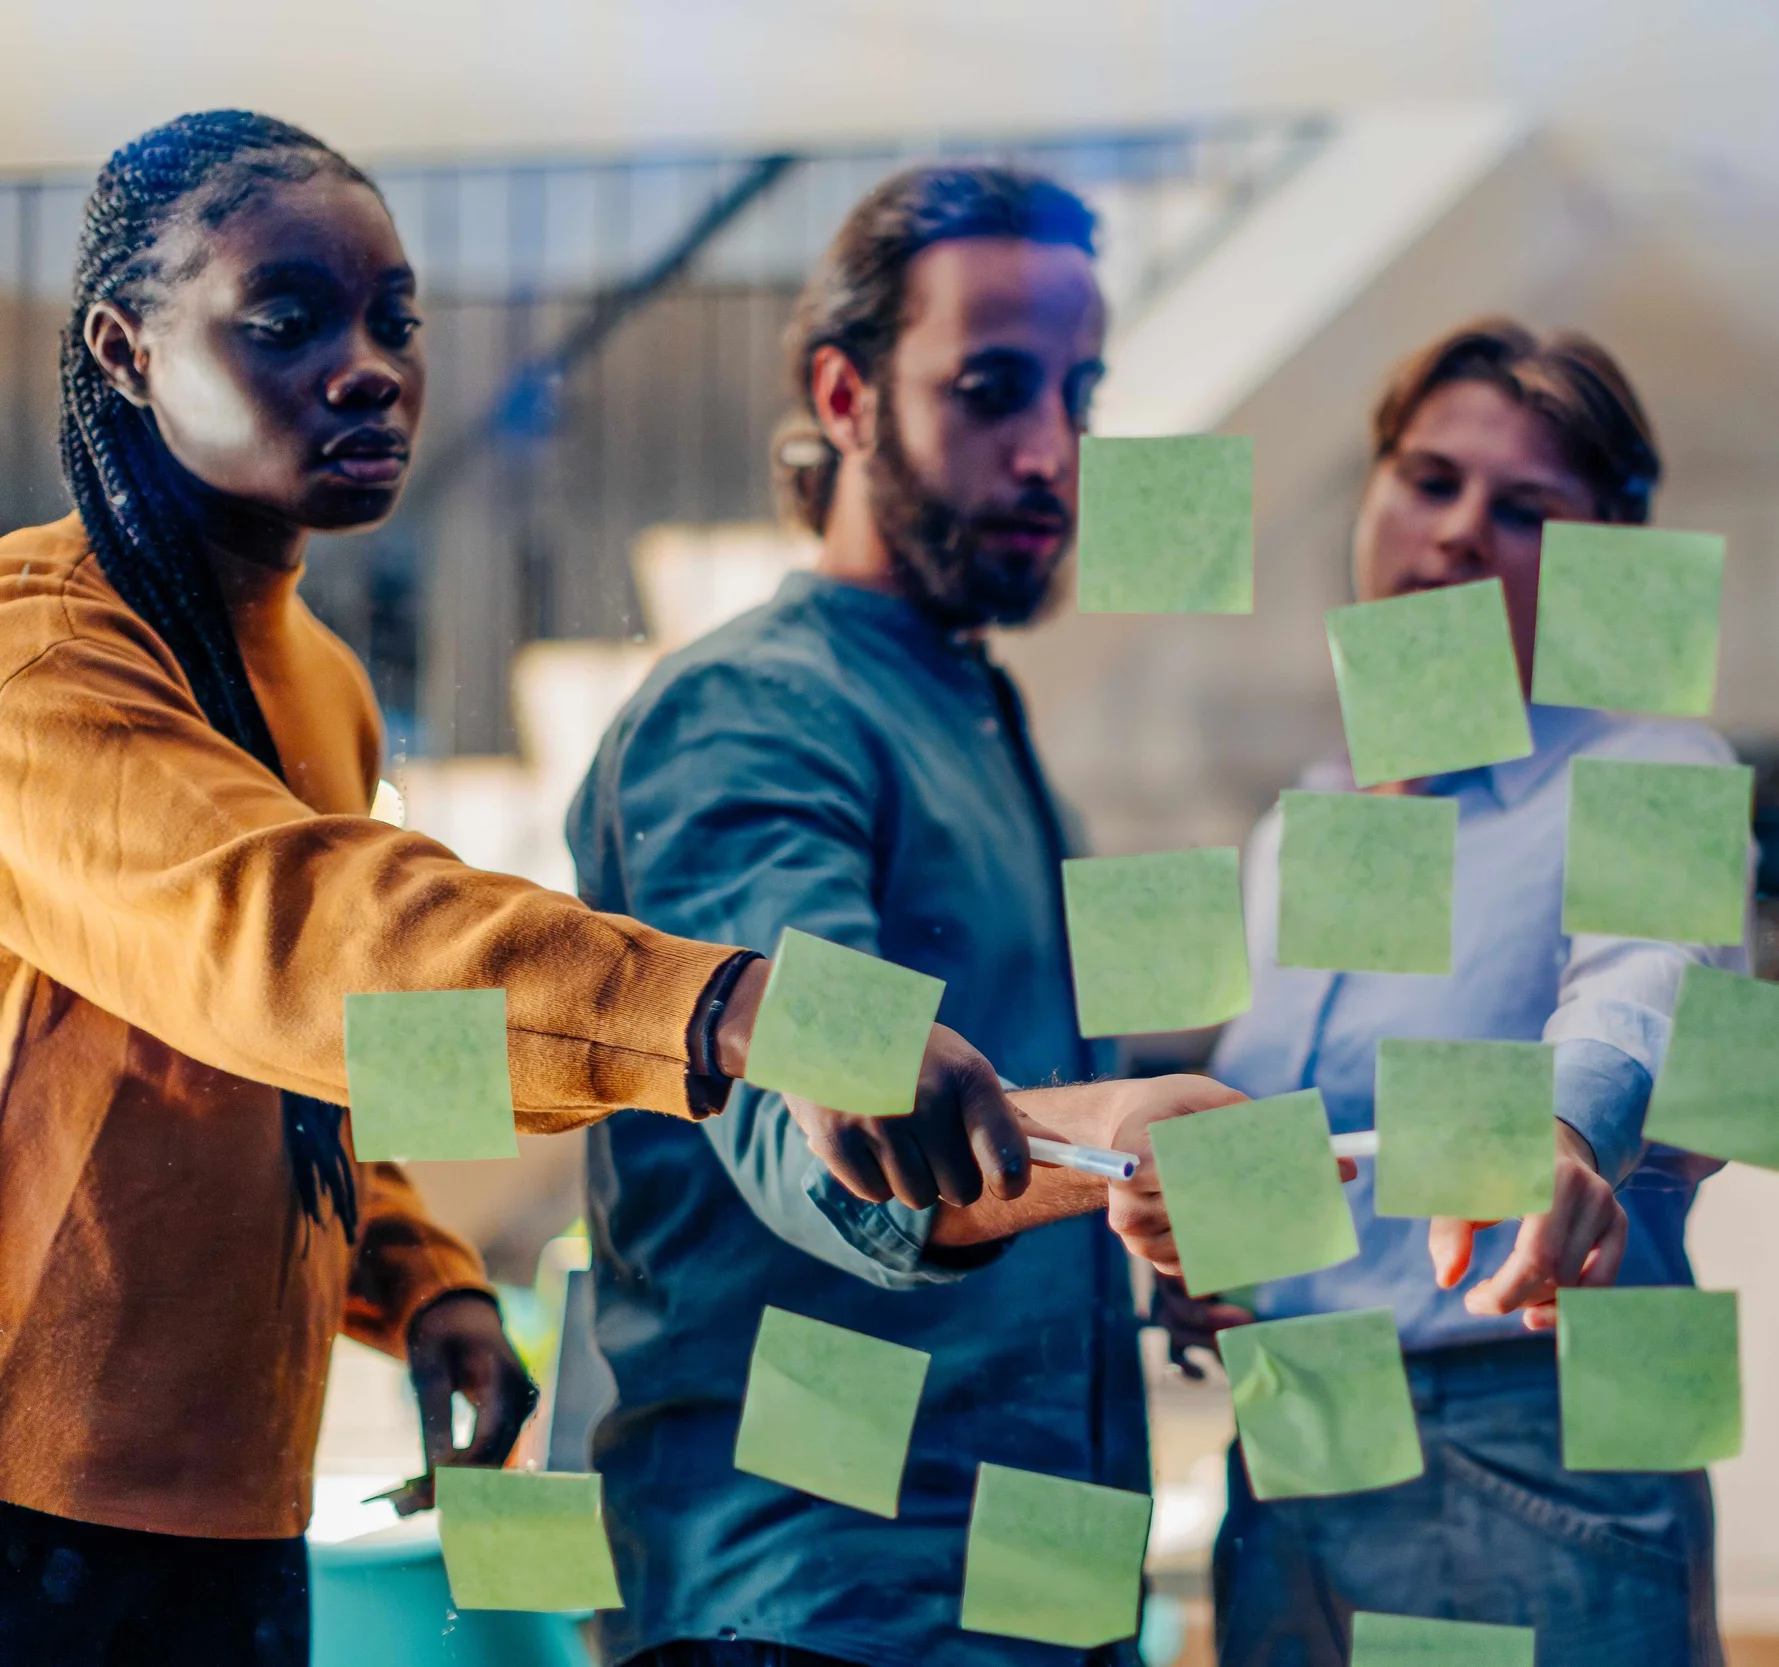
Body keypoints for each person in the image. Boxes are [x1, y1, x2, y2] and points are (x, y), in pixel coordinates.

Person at [0, 114, 1169, 1667]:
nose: (370, 367)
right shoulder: (38, 654)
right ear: (124, 351)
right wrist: (747, 1008)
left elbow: (278, 1069)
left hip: (232, 1504)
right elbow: (290, 941)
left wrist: (417, 1283)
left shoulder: (326, 684)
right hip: (41, 1494)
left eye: (397, 321)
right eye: (289, 321)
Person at [568, 165, 1240, 1667]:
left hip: (1029, 1586)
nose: (1054, 451)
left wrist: (1149, 1208)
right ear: (847, 394)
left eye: (1081, 392)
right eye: (994, 389)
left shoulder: (974, 705)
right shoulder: (754, 710)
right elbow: (834, 1143)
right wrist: (1123, 1127)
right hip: (815, 1603)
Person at [1169, 319, 1738, 1666]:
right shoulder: (1303, 820)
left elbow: (1646, 979)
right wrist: (1214, 1249)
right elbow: (1312, 1126)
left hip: (1526, 1430)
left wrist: (1564, 1128)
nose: (1462, 531)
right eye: (1430, 481)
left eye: (1527, 510)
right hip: (1295, 1426)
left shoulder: (1653, 762)